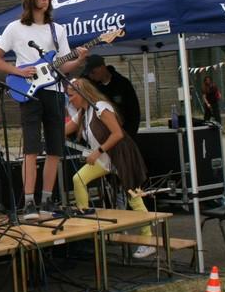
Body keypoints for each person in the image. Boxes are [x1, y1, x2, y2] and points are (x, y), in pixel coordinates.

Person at [0, 0, 87, 215]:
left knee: (55, 148)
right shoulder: (15, 28)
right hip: (30, 92)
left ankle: (47, 199)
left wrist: (79, 60)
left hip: (55, 91)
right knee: (31, 148)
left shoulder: (57, 30)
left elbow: (63, 64)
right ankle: (29, 201)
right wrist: (19, 71)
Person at [63, 78, 156, 247]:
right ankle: (85, 220)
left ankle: (147, 239)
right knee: (79, 179)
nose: (69, 100)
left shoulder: (100, 107)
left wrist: (97, 152)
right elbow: (65, 130)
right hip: (104, 158)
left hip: (121, 155)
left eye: (71, 95)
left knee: (133, 197)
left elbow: (117, 134)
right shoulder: (83, 112)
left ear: (82, 93)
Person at [83, 54, 142, 138]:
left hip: (124, 133)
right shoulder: (93, 87)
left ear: (102, 67)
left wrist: (129, 134)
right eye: (89, 73)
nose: (91, 76)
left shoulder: (122, 84)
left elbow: (134, 112)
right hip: (102, 136)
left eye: (93, 72)